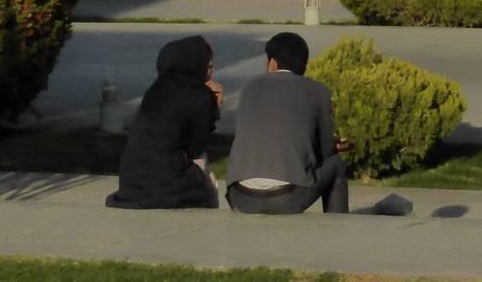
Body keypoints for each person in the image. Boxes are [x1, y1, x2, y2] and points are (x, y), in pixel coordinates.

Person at [226, 32, 349, 215]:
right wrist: (334, 145)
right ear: (304, 64)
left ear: (272, 63)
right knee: (336, 164)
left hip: (240, 196)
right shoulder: (318, 91)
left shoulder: (249, 87)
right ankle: (337, 224)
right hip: (286, 198)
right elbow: (325, 151)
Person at [107, 35, 223, 210]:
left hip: (132, 186)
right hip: (168, 189)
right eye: (208, 66)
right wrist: (215, 105)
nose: (211, 72)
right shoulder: (200, 94)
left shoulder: (156, 89)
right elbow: (196, 149)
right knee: (208, 179)